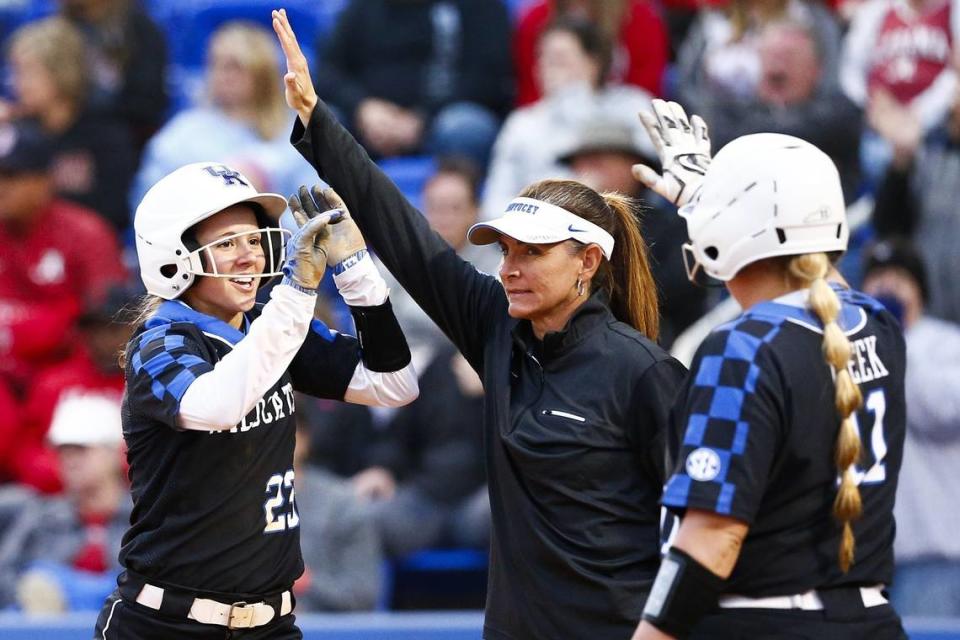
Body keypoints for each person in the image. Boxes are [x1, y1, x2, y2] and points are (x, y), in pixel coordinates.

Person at [274, 11, 687, 639]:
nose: (511, 268)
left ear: (588, 261)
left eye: (532, 252)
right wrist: (319, 121)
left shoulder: (643, 371)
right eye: (506, 251)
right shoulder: (497, 325)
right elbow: (407, 238)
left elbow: (700, 526)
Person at [92, 161, 418, 638]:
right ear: (172, 257)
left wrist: (354, 269)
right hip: (167, 624)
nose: (248, 257)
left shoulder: (273, 322)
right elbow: (216, 404)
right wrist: (297, 292)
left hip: (271, 623)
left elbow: (393, 385)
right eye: (226, 244)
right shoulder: (159, 343)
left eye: (253, 239)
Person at [630, 100, 907, 639]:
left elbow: (711, 542)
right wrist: (714, 204)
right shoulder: (878, 326)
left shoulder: (744, 347)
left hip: (762, 624)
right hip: (873, 621)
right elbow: (821, 290)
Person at [860, 238, 960, 617]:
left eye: (899, 277)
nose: (887, 286)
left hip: (934, 554)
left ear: (920, 289)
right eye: (878, 277)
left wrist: (894, 342)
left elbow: (942, 412)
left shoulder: (947, 345)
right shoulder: (850, 350)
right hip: (869, 560)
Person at [483, 17, 655, 219]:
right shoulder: (522, 123)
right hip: (539, 232)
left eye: (559, 60)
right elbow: (493, 206)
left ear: (594, 63)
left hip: (622, 224)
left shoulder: (633, 106)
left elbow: (651, 183)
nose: (546, 70)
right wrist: (555, 209)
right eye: (542, 59)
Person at [312, 0, 513, 167]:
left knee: (466, 127)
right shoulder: (363, 8)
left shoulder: (479, 7)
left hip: (440, 123)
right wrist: (362, 107)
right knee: (321, 124)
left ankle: (459, 209)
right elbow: (327, 72)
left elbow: (488, 79)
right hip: (370, 124)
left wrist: (423, 119)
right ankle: (334, 210)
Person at [2, 16, 137, 234]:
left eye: (27, 72)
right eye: (15, 72)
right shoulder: (14, 134)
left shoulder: (106, 134)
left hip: (85, 246)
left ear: (61, 72)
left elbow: (115, 210)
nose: (17, 83)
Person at [0, 392, 129, 613]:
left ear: (113, 452)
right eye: (63, 452)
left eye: (82, 450)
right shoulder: (40, 517)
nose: (70, 461)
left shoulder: (145, 519)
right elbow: (5, 576)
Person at [512, 0, 669, 105]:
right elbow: (529, 94)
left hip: (619, 122)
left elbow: (647, 92)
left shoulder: (641, 17)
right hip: (552, 120)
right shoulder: (535, 20)